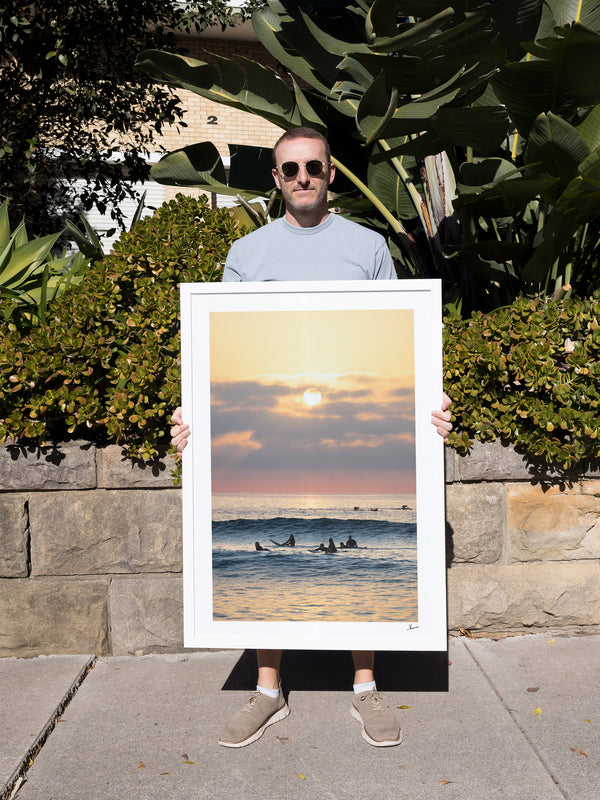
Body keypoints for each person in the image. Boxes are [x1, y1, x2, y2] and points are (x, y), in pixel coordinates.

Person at [170, 127, 454, 750]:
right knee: (263, 544)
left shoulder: (368, 246)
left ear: (331, 174)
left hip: (347, 414)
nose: (303, 177)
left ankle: (365, 686)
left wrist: (429, 406)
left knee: (366, 553)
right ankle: (268, 690)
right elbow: (224, 355)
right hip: (273, 420)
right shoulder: (247, 254)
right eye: (290, 169)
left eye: (314, 168)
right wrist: (196, 418)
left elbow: (397, 348)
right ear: (275, 179)